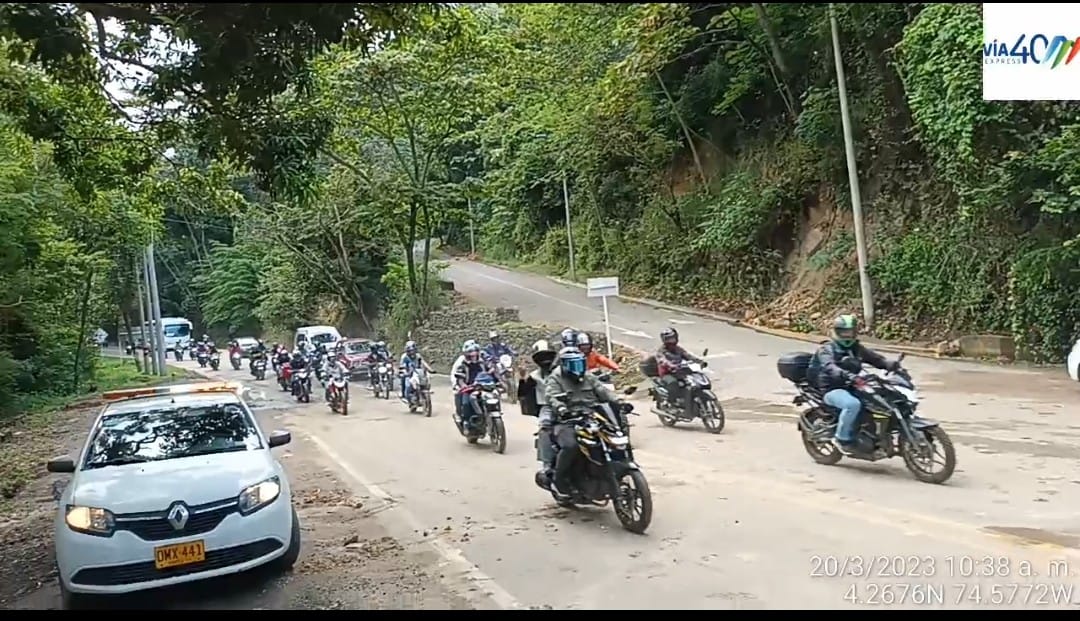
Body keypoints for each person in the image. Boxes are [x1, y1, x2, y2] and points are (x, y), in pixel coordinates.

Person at [807, 314, 900, 456]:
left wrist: (888, 364)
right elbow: (830, 367)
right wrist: (846, 374)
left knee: (879, 398)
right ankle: (842, 439)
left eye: (850, 332)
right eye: (844, 332)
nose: (847, 336)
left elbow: (874, 358)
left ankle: (872, 433)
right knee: (852, 404)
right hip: (831, 388)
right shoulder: (826, 349)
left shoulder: (856, 347)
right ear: (837, 332)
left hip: (852, 384)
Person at [542, 347, 623, 500]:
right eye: (573, 365)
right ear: (564, 365)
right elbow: (551, 397)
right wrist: (561, 408)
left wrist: (619, 401)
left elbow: (603, 391)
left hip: (591, 417)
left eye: (580, 364)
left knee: (615, 437)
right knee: (571, 446)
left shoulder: (588, 377)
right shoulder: (556, 378)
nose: (578, 369)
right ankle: (559, 482)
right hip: (567, 420)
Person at [517, 340, 559, 484]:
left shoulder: (562, 371)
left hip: (568, 405)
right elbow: (522, 394)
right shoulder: (534, 377)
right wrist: (523, 378)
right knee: (545, 428)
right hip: (546, 407)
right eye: (541, 357)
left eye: (548, 356)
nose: (545, 360)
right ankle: (547, 465)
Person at [655, 327, 707, 408]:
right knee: (673, 383)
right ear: (664, 340)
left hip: (680, 370)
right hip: (667, 373)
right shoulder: (661, 351)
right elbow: (662, 360)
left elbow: (688, 356)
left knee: (695, 378)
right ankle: (669, 402)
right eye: (669, 339)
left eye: (673, 338)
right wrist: (670, 365)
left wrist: (700, 361)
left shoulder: (678, 349)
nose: (671, 341)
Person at [451, 341, 487, 431]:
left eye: (475, 351)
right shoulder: (462, 365)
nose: (473, 353)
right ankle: (467, 422)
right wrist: (464, 386)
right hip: (469, 388)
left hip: (483, 387)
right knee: (466, 403)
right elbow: (460, 379)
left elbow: (491, 372)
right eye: (471, 351)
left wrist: (499, 381)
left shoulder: (483, 362)